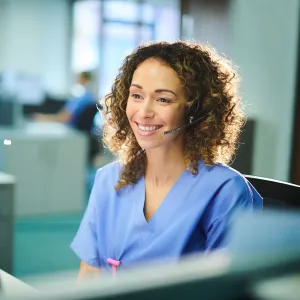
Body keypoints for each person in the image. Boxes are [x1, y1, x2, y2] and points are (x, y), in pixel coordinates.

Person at [70, 41, 263, 278]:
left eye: (163, 99)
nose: (144, 112)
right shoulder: (108, 179)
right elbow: (89, 274)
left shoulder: (225, 192)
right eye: (137, 95)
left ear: (196, 110)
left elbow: (228, 288)